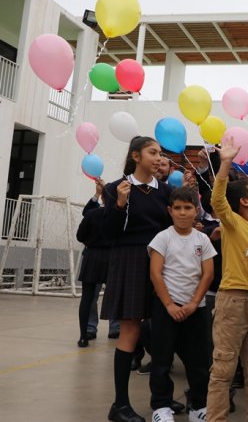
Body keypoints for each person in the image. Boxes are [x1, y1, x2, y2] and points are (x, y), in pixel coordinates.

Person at [101, 136, 174, 422]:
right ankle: (119, 404)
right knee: (131, 330)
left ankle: (163, 400)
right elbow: (108, 232)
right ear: (136, 156)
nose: (158, 158)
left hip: (159, 261)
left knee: (163, 330)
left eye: (160, 153)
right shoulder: (116, 188)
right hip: (130, 260)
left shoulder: (166, 192)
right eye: (152, 152)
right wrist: (119, 203)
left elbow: (172, 228)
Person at [206, 140, 248, 422]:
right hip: (232, 301)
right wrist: (226, 163)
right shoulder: (231, 222)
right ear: (244, 201)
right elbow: (217, 200)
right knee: (224, 369)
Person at [148, 187, 216, 422]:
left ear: (196, 211)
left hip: (195, 310)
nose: (183, 213)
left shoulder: (203, 239)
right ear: (170, 211)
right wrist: (169, 305)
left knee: (199, 361)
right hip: (167, 308)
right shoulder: (163, 238)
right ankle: (161, 406)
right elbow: (156, 273)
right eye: (177, 208)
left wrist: (194, 303)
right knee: (162, 360)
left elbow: (207, 274)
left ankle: (198, 405)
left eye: (188, 208)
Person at [76, 178, 116, 347]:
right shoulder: (119, 216)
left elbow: (80, 236)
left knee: (87, 297)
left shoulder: (92, 214)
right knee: (115, 296)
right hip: (112, 257)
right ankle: (118, 329)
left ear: (103, 199)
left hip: (92, 257)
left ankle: (83, 336)